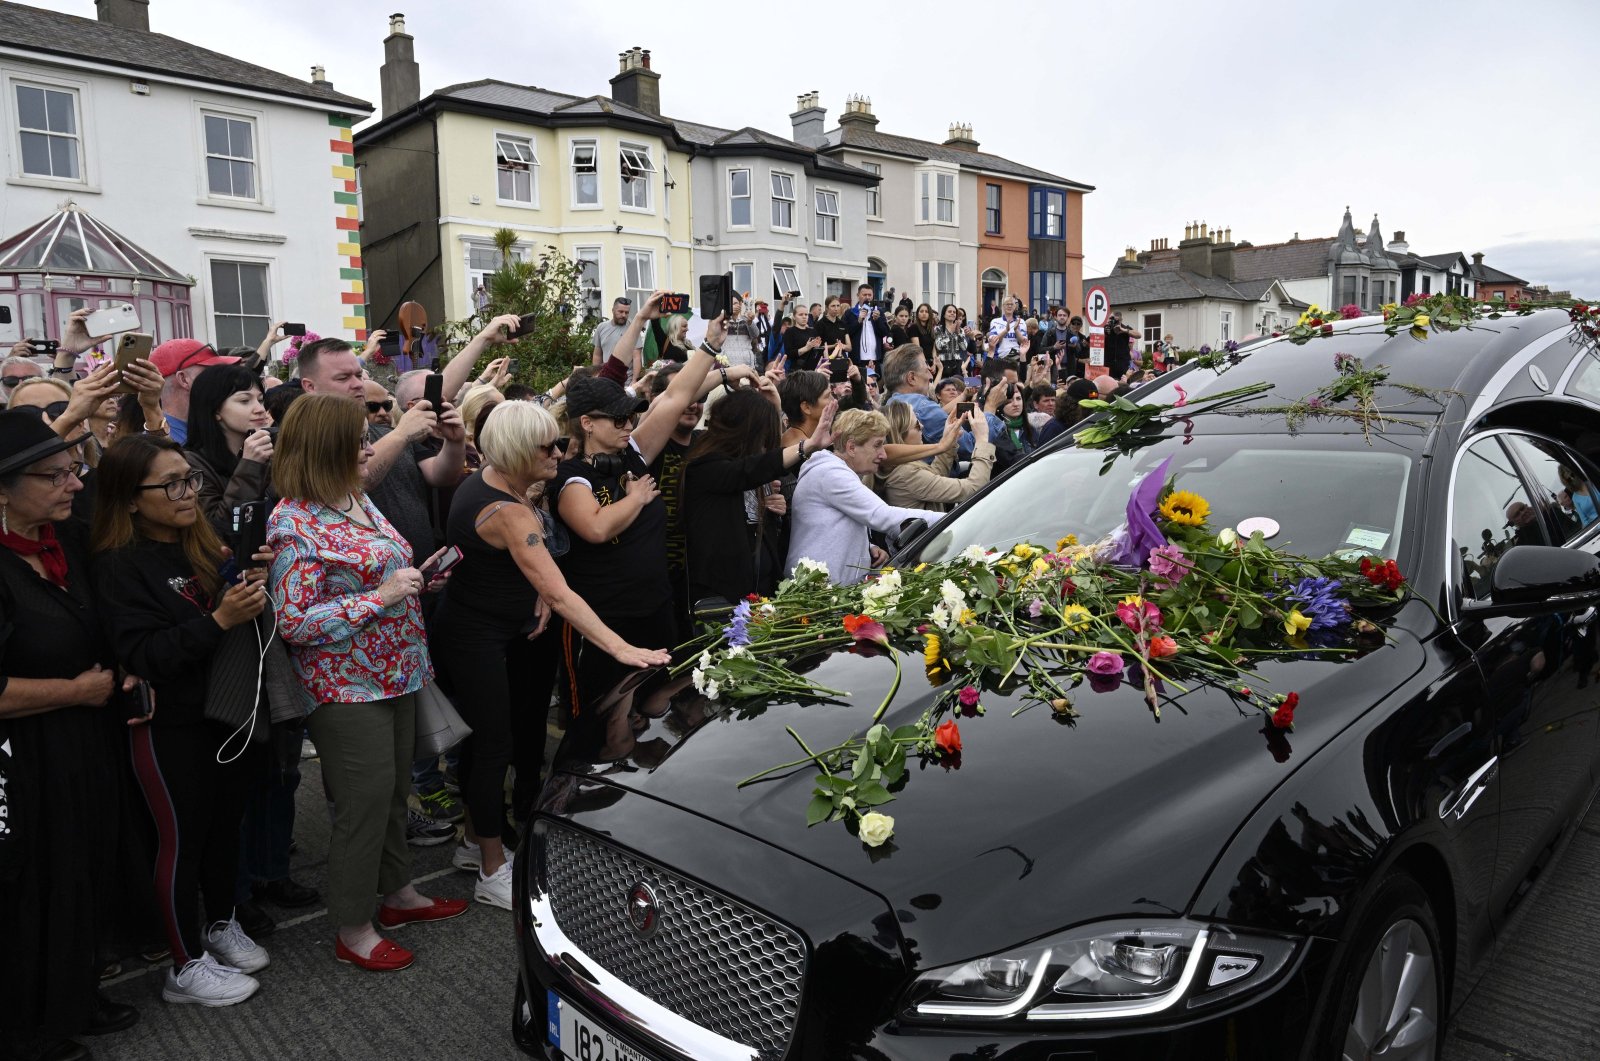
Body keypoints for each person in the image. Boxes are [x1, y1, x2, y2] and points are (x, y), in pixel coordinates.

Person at [432, 401, 670, 908]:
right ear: (519, 451)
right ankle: (492, 870)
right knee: (495, 744)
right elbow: (561, 592)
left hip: (487, 625)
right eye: (549, 446)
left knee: (490, 741)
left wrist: (534, 592)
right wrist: (623, 648)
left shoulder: (496, 481)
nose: (560, 452)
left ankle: (476, 843)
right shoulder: (508, 511)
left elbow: (531, 573)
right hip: (475, 635)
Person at [267, 394, 466, 973]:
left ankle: (399, 894)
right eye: (356, 441)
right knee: (363, 805)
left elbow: (376, 574)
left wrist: (412, 584)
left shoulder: (354, 497)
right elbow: (295, 622)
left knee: (391, 793)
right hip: (345, 689)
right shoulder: (294, 521)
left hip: (397, 672)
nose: (368, 449)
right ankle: (352, 925)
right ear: (323, 449)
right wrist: (380, 597)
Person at [93, 436, 274, 1006]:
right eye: (170, 484)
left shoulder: (204, 542)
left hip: (226, 712)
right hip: (167, 725)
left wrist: (248, 581)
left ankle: (219, 923)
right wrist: (220, 619)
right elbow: (145, 655)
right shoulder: (118, 564)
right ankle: (182, 964)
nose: (186, 493)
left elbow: (226, 612)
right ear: (128, 499)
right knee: (180, 838)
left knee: (225, 829)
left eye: (189, 480)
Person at [0, 410, 141, 1061]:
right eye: (54, 476)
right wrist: (74, 691)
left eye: (72, 469)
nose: (73, 484)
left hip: (86, 744)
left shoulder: (60, 542)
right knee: (33, 883)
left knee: (85, 866)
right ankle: (28, 1025)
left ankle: (74, 993)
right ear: (4, 488)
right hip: (24, 757)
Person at [552, 293, 721, 717]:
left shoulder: (630, 453)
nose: (630, 425)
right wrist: (636, 498)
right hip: (605, 620)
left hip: (654, 608)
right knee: (602, 717)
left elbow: (675, 396)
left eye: (631, 418)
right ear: (587, 424)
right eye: (619, 420)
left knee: (650, 711)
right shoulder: (570, 475)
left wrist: (711, 347)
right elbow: (594, 528)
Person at [682, 386, 827, 607]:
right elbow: (749, 471)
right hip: (721, 600)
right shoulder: (705, 466)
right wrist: (807, 445)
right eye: (762, 436)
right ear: (745, 432)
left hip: (758, 593)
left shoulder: (749, 467)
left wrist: (769, 511)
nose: (765, 445)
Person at [785, 408, 926, 586]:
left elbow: (831, 527)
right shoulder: (831, 473)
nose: (883, 454)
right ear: (851, 447)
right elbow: (881, 515)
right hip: (814, 591)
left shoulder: (836, 470)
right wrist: (955, 518)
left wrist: (867, 548)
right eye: (877, 445)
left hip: (823, 587)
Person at [181, 364, 273, 536]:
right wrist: (250, 465)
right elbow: (218, 528)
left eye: (260, 400)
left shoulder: (268, 452)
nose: (260, 409)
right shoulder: (191, 463)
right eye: (244, 401)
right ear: (216, 410)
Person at [880, 345, 1006, 460]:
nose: (931, 375)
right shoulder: (922, 408)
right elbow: (971, 446)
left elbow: (937, 414)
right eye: (926, 368)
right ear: (911, 378)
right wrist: (991, 406)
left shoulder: (890, 405)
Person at [880, 400, 995, 511]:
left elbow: (935, 475)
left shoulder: (903, 469)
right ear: (899, 435)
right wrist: (982, 440)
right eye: (916, 425)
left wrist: (950, 440)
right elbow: (974, 488)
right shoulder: (905, 474)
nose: (922, 426)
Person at [149, 340, 242, 444]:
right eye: (211, 371)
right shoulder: (156, 443)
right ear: (184, 379)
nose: (220, 378)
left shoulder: (214, 428)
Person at [1036, 377, 1100, 446]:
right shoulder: (1054, 428)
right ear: (1072, 405)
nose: (1092, 411)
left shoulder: (1091, 425)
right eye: (1087, 407)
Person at [846, 284, 889, 375]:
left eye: (870, 295)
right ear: (858, 295)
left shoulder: (878, 312)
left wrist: (877, 321)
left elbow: (884, 332)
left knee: (874, 386)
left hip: (875, 358)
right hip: (858, 359)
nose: (867, 297)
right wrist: (859, 320)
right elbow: (847, 333)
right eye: (864, 295)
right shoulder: (850, 313)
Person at [590, 297, 636, 366]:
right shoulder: (601, 327)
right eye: (620, 312)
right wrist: (596, 375)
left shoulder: (633, 328)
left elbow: (637, 357)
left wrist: (635, 377)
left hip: (626, 376)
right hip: (606, 375)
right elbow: (597, 355)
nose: (623, 315)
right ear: (613, 310)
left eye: (626, 312)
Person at [782, 302, 823, 371]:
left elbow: (816, 353)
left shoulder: (812, 331)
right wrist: (807, 348)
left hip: (812, 368)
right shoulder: (790, 332)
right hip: (796, 369)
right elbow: (788, 354)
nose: (804, 317)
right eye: (800, 315)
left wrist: (817, 348)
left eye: (806, 314)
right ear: (794, 317)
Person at [987, 296, 1028, 361]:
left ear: (1015, 306)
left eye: (1011, 304)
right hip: (999, 359)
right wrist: (1005, 331)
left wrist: (1016, 330)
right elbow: (993, 342)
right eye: (1007, 304)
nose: (1009, 306)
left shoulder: (1021, 322)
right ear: (1003, 306)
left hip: (1016, 359)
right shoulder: (995, 321)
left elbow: (1024, 343)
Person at [1104, 312, 1136, 379]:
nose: (1113, 321)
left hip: (1123, 364)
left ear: (1120, 320)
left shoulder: (1125, 328)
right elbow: (1093, 337)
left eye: (1115, 320)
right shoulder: (1107, 328)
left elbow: (1138, 335)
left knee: (1124, 383)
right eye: (1111, 318)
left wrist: (1124, 330)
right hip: (1109, 364)